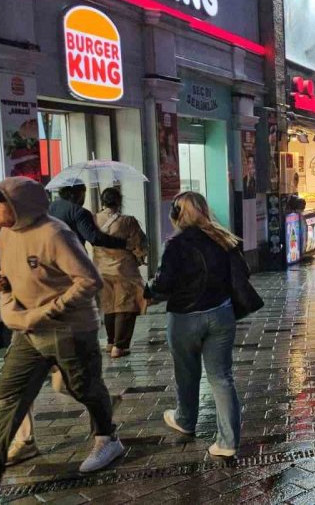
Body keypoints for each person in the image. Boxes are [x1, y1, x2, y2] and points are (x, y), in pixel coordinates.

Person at [0, 177, 124, 501]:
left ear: (19, 206)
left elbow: (90, 280)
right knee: (7, 397)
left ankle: (108, 438)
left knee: (83, 387)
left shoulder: (54, 233)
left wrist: (53, 309)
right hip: (28, 332)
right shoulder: (4, 235)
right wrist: (6, 283)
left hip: (69, 329)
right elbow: (22, 273)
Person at [146, 191, 242, 458]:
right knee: (221, 377)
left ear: (177, 214)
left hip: (185, 318)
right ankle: (228, 441)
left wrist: (148, 288)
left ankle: (186, 420)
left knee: (186, 373)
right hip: (222, 314)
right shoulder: (222, 238)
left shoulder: (175, 244)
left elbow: (163, 285)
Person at [95, 188, 148, 358]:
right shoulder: (128, 221)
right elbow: (139, 243)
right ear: (119, 201)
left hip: (101, 269)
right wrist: (140, 257)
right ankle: (120, 346)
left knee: (109, 306)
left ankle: (110, 342)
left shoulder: (93, 219)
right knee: (125, 306)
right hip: (124, 270)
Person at [49, 184, 128, 250]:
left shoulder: (52, 206)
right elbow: (94, 238)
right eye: (84, 193)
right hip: (73, 258)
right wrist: (122, 243)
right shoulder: (79, 212)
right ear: (80, 193)